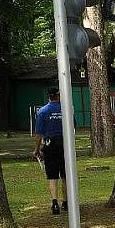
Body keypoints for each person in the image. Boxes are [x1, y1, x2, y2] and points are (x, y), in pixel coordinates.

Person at [32, 87, 66, 215]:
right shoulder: (66, 108)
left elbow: (38, 134)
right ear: (58, 96)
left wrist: (36, 150)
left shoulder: (43, 111)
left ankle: (55, 203)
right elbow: (73, 126)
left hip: (49, 145)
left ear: (48, 96)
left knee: (52, 176)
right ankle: (66, 202)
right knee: (65, 175)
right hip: (64, 145)